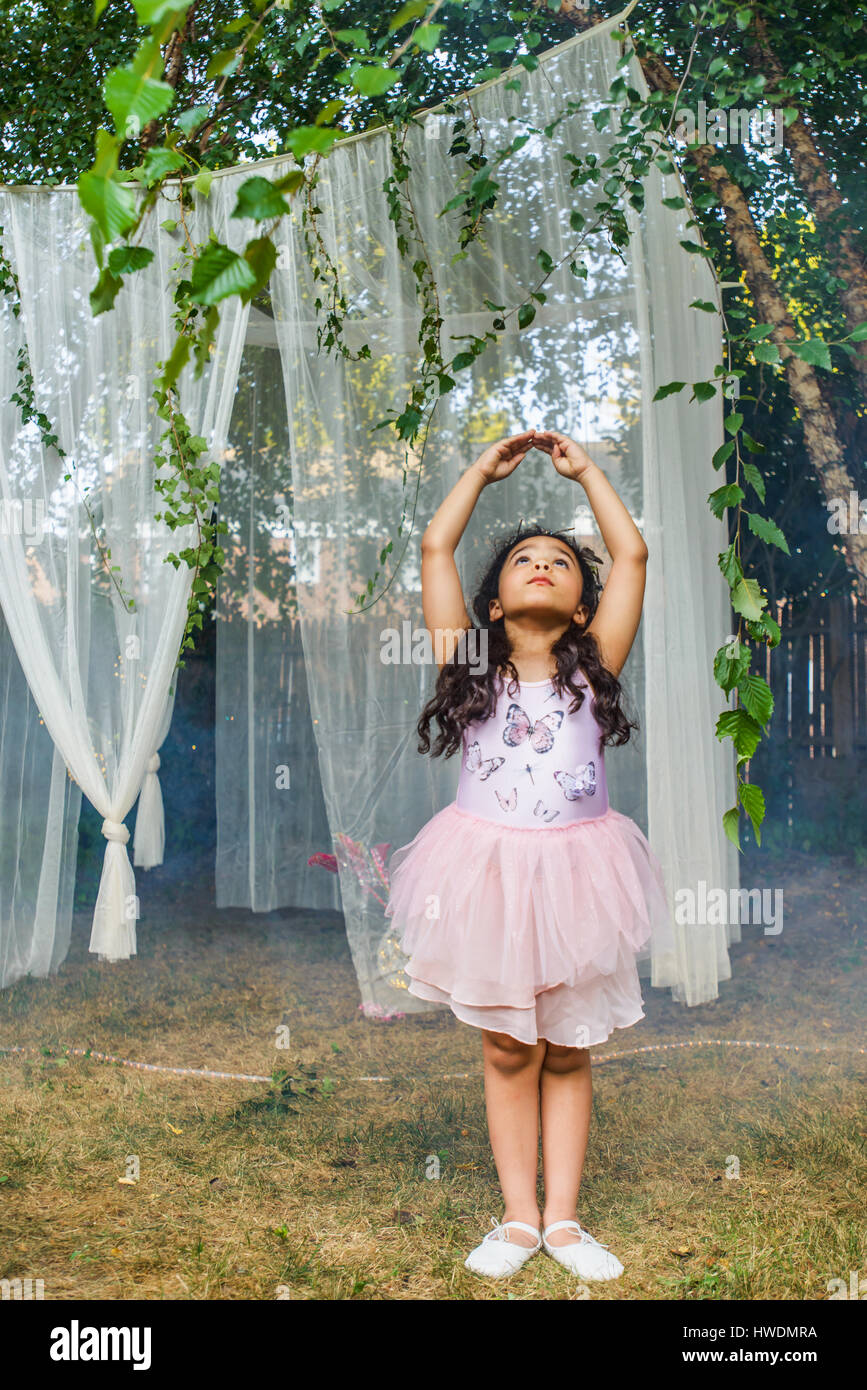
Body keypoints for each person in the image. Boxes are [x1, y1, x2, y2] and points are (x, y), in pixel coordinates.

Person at [384, 428, 674, 1281]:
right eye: (523, 561)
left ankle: (565, 1222)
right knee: (509, 1046)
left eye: (560, 560)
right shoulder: (469, 665)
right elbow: (436, 545)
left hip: (579, 873)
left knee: (570, 1042)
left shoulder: (596, 670)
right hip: (488, 875)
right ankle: (516, 1219)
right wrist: (480, 472)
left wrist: (586, 474)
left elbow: (632, 554)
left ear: (583, 604)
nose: (542, 563)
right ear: (495, 605)